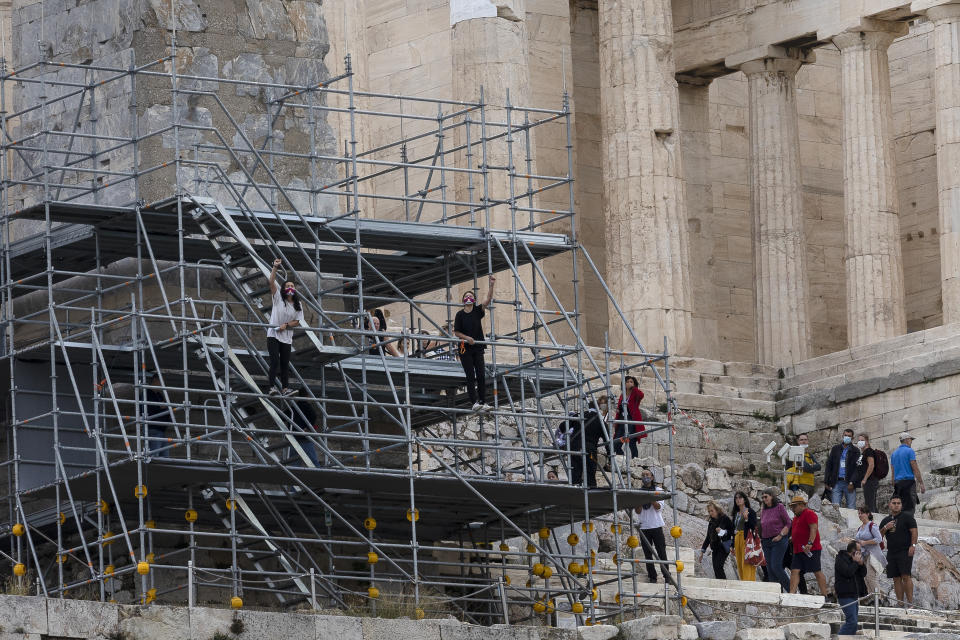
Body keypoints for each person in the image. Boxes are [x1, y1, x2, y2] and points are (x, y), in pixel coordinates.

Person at [453, 276, 495, 412]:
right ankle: (474, 402)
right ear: (463, 300)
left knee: (481, 375)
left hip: (477, 348)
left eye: (471, 296)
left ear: (474, 299)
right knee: (470, 375)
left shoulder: (477, 311)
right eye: (467, 296)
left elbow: (487, 300)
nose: (469, 297)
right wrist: (467, 338)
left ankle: (483, 401)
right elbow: (456, 332)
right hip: (465, 349)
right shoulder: (460, 315)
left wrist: (491, 286)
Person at [267, 258, 304, 395]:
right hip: (273, 334)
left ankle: (285, 388)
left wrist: (286, 325)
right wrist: (275, 267)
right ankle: (271, 387)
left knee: (284, 364)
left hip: (287, 337)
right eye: (287, 285)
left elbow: (298, 320)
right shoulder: (278, 299)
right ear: (284, 289)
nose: (290, 287)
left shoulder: (297, 305)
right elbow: (271, 282)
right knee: (275, 361)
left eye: (292, 286)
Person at [632, 468, 671, 584]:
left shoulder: (658, 490)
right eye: (643, 475)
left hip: (656, 526)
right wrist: (641, 499)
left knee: (661, 552)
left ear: (652, 477)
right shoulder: (639, 492)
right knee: (648, 554)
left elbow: (659, 507)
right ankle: (652, 577)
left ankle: (667, 577)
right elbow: (638, 511)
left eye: (647, 474)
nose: (645, 476)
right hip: (644, 527)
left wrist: (650, 497)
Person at [879, 495, 918, 607]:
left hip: (905, 550)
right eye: (894, 503)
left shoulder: (907, 517)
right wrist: (886, 527)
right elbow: (879, 537)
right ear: (890, 504)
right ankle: (900, 604)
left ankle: (910, 604)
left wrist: (913, 545)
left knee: (906, 576)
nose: (896, 505)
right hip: (891, 552)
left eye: (898, 503)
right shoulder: (885, 520)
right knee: (896, 578)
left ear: (901, 505)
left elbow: (914, 532)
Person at [788, 494, 829, 596]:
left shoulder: (809, 513)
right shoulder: (795, 518)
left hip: (811, 549)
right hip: (798, 550)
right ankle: (791, 594)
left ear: (802, 505)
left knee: (817, 571)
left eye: (795, 506)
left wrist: (810, 543)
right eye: (792, 507)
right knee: (794, 571)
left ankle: (825, 595)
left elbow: (813, 528)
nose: (793, 509)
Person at [561, 406, 606, 488]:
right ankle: (591, 491)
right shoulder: (600, 421)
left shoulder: (579, 416)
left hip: (575, 448)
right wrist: (610, 454)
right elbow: (607, 439)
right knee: (590, 472)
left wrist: (572, 419)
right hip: (590, 450)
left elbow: (562, 427)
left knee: (575, 472)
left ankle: (575, 490)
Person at [758, 487, 792, 592]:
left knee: (776, 566)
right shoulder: (763, 510)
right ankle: (776, 594)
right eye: (763, 497)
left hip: (779, 540)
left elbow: (788, 523)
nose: (764, 499)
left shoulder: (779, 507)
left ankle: (792, 591)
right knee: (770, 569)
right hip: (766, 542)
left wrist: (781, 535)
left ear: (772, 496)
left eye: (766, 497)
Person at [835, 540, 867, 635]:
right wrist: (856, 563)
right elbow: (848, 573)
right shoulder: (840, 559)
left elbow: (863, 574)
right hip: (845, 594)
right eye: (859, 550)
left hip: (854, 594)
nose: (860, 552)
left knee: (854, 624)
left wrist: (861, 564)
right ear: (853, 550)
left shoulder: (854, 560)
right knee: (852, 622)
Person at [854, 506, 886, 595]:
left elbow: (879, 539)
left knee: (870, 577)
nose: (860, 515)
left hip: (873, 554)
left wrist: (865, 542)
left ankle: (878, 599)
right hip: (864, 555)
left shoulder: (872, 525)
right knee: (866, 578)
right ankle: (873, 597)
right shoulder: (860, 528)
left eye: (862, 513)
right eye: (859, 514)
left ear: (868, 514)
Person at [698, 501, 734, 580]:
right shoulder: (711, 522)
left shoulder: (725, 518)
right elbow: (708, 537)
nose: (710, 513)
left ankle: (724, 586)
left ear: (717, 510)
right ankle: (720, 586)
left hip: (723, 546)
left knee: (718, 566)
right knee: (716, 568)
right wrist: (702, 551)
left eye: (712, 511)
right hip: (715, 547)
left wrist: (723, 532)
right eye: (709, 511)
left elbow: (733, 531)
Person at [891, 431, 925, 513]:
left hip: (897, 483)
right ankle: (909, 524)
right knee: (910, 506)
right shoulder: (910, 451)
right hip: (908, 482)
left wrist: (894, 483)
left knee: (899, 507)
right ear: (906, 440)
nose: (911, 442)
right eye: (911, 440)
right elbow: (915, 468)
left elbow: (893, 471)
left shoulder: (894, 454)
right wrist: (921, 483)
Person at [614, 376, 645, 461]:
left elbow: (641, 395)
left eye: (631, 382)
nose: (629, 383)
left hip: (631, 420)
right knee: (616, 442)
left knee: (631, 442)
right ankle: (621, 459)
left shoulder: (635, 393)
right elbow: (619, 408)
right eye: (627, 382)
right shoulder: (622, 395)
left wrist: (634, 388)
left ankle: (635, 460)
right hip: (622, 420)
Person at [825, 428, 859, 508]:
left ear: (852, 438)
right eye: (845, 435)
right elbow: (829, 465)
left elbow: (857, 468)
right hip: (836, 482)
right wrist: (826, 481)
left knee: (851, 507)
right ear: (842, 436)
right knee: (835, 507)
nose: (847, 437)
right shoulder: (835, 449)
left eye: (849, 436)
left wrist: (852, 482)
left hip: (849, 482)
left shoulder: (855, 451)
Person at [731, 491, 758, 582]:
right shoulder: (735, 513)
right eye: (736, 498)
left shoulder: (750, 511)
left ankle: (749, 582)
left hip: (746, 538)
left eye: (740, 498)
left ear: (745, 499)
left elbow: (753, 526)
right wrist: (732, 545)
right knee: (739, 563)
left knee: (746, 562)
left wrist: (746, 519)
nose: (738, 500)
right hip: (737, 538)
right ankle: (743, 582)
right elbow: (733, 529)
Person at [144, 371, 173, 458]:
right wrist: (160, 407)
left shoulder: (159, 395)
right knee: (154, 456)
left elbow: (165, 407)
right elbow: (146, 410)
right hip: (153, 429)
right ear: (155, 380)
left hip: (161, 429)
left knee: (165, 457)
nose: (162, 384)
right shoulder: (147, 394)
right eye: (161, 381)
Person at [288, 389, 320, 466]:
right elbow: (314, 416)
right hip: (305, 438)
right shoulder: (307, 406)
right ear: (307, 396)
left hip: (294, 437)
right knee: (313, 462)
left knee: (293, 463)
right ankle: (319, 476)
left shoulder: (294, 407)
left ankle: (293, 476)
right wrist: (308, 428)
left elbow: (282, 416)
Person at [785, 433, 819, 498]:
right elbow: (805, 467)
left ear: (808, 441)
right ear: (798, 441)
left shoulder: (809, 455)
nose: (804, 441)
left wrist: (809, 466)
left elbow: (819, 467)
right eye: (801, 440)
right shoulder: (795, 453)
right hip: (800, 484)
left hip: (811, 484)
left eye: (805, 439)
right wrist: (811, 466)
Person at [853, 433, 878, 513]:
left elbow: (871, 465)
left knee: (870, 504)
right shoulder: (863, 453)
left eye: (862, 440)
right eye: (859, 440)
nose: (860, 442)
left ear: (867, 441)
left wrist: (865, 478)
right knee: (870, 502)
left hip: (870, 480)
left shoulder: (869, 451)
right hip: (866, 481)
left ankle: (871, 522)